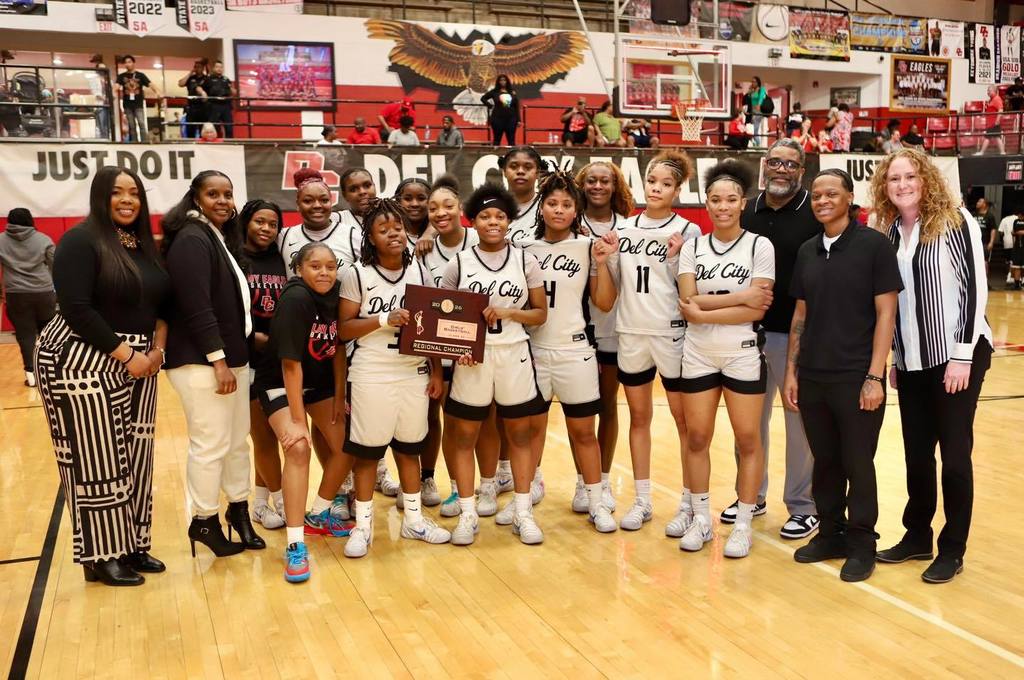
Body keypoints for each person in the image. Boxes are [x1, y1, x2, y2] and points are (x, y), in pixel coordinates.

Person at [35, 168, 170, 587]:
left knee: (136, 455)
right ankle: (101, 555)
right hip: (80, 357)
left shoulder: (143, 244)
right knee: (96, 458)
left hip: (141, 360)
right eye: (116, 193)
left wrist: (157, 350)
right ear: (100, 197)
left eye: (134, 193)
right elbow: (76, 308)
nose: (127, 200)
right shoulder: (80, 240)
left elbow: (163, 304)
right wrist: (127, 355)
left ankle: (131, 544)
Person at [871, 149, 994, 584]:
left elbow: (974, 290)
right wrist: (896, 357)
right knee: (917, 454)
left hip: (957, 355)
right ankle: (917, 535)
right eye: (894, 179)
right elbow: (892, 302)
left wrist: (962, 354)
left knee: (955, 456)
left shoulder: (955, 221)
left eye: (910, 176)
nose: (902, 185)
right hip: (912, 360)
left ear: (925, 179)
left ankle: (953, 548)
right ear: (884, 187)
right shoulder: (887, 231)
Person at [784, 168, 902, 583]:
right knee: (826, 462)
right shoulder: (808, 250)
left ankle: (862, 543)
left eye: (831, 193)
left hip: (856, 376)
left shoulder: (874, 246)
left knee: (858, 463)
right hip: (813, 375)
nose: (822, 201)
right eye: (816, 195)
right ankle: (830, 534)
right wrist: (792, 372)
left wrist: (875, 376)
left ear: (850, 198)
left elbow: (887, 314)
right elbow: (800, 315)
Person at [596, 150, 702, 533]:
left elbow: (691, 291)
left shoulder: (688, 231)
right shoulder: (622, 230)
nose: (656, 188)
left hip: (671, 333)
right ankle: (642, 501)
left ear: (678, 190)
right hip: (631, 332)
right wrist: (604, 260)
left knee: (683, 420)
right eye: (652, 181)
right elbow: (609, 294)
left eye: (666, 184)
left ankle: (689, 503)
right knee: (639, 418)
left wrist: (675, 261)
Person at [339, 199, 450, 558]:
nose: (393, 234)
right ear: (370, 237)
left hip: (413, 372)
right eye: (383, 229)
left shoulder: (419, 270)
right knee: (367, 454)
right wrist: (384, 319)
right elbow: (343, 329)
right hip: (371, 372)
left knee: (409, 448)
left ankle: (414, 520)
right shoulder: (357, 274)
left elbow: (433, 325)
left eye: (398, 228)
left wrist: (437, 370)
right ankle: (363, 526)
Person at [676, 160, 775, 558]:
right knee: (697, 437)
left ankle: (744, 524)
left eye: (731, 199)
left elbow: (757, 308)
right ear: (707, 203)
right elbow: (687, 301)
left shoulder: (759, 246)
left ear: (743, 202)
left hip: (742, 353)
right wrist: (740, 296)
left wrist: (706, 310)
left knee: (748, 439)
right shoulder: (693, 246)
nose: (723, 206)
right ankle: (701, 519)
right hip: (698, 354)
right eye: (715, 200)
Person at [162, 170, 263, 558]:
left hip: (230, 360)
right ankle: (203, 520)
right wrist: (218, 360)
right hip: (203, 363)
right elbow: (197, 306)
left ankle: (238, 510)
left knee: (236, 443)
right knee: (210, 445)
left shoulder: (214, 236)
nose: (222, 201)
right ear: (196, 198)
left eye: (228, 194)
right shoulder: (191, 238)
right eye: (213, 194)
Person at [441, 183, 549, 545]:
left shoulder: (524, 260)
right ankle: (467, 514)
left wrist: (509, 312)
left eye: (500, 216)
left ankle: (523, 512)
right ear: (473, 221)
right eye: (485, 216)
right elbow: (444, 316)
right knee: (464, 435)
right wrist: (457, 346)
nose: (493, 222)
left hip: (514, 353)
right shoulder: (458, 263)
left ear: (509, 221)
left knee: (519, 434)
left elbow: (540, 314)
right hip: (472, 359)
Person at [519, 171, 618, 533]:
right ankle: (524, 503)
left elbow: (604, 302)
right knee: (530, 431)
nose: (559, 210)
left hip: (576, 351)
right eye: (552, 203)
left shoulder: (588, 247)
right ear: (541, 208)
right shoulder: (524, 249)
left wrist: (603, 263)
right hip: (533, 351)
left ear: (576, 210)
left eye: (566, 204)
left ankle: (595, 501)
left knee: (584, 432)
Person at [737, 139, 821, 540]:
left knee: (797, 424)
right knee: (749, 423)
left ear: (801, 172)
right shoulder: (746, 210)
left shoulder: (813, 213)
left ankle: (803, 506)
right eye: (775, 162)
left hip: (794, 336)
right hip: (744, 333)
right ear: (764, 165)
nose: (781, 169)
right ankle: (751, 495)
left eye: (790, 164)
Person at [259, 242, 355, 580]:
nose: (324, 272)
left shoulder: (337, 294)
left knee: (350, 444)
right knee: (298, 448)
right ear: (299, 269)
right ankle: (295, 544)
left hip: (319, 384)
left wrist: (340, 396)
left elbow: (338, 348)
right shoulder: (296, 298)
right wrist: (298, 421)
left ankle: (319, 513)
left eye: (330, 266)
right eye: (316, 266)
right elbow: (290, 365)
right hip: (280, 382)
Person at [575, 161, 635, 512]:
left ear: (616, 187)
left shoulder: (628, 228)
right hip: (576, 328)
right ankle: (583, 482)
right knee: (580, 411)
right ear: (581, 186)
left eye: (605, 181)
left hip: (613, 327)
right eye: (591, 181)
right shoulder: (569, 223)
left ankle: (604, 478)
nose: (598, 186)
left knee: (608, 404)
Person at [419, 176, 479, 517]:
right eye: (433, 209)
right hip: (437, 348)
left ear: (461, 208)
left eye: (448, 206)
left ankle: (465, 487)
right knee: (431, 418)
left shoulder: (478, 240)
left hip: (474, 348)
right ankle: (429, 479)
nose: (441, 213)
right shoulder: (424, 250)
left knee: (463, 423)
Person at [240, 200, 289, 530]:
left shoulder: (280, 256)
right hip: (249, 358)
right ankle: (283, 501)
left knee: (270, 436)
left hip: (278, 357)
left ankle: (259, 504)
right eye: (260, 221)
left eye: (273, 224)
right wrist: (254, 338)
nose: (266, 229)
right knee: (264, 437)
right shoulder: (235, 257)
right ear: (246, 222)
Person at [0, 207, 55, 386]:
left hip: (16, 295)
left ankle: (31, 376)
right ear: (30, 220)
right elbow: (55, 264)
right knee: (48, 334)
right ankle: (50, 373)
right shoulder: (43, 239)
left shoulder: (1, 240)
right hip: (44, 293)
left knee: (25, 335)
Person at [500, 146, 544, 246]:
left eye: (528, 167)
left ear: (538, 173)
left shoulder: (548, 206)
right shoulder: (491, 206)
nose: (520, 171)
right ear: (504, 172)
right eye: (513, 166)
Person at [114, 55, 161, 143]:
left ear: (133, 63)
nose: (127, 64)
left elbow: (150, 84)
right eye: (125, 63)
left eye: (129, 62)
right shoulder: (121, 76)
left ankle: (144, 142)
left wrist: (158, 92)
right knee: (131, 125)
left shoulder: (140, 75)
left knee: (141, 123)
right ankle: (134, 143)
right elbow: (116, 86)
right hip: (127, 105)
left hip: (138, 104)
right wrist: (113, 94)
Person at [481, 74, 520, 147]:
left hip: (511, 119)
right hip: (497, 119)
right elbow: (483, 98)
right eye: (501, 80)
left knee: (511, 141)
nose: (503, 82)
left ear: (507, 81)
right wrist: (490, 106)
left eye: (504, 80)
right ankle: (496, 153)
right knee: (497, 140)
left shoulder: (512, 92)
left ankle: (511, 153)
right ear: (498, 82)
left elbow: (516, 106)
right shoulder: (494, 91)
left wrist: (518, 120)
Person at [203, 60, 235, 138]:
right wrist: (203, 94)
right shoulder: (208, 79)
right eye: (217, 67)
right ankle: (215, 143)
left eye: (221, 67)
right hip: (214, 105)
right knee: (215, 128)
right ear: (213, 68)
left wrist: (231, 89)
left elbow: (233, 92)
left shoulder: (226, 79)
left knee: (229, 128)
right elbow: (202, 89)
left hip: (226, 105)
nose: (219, 69)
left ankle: (230, 143)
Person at [177, 58, 208, 139]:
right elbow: (180, 84)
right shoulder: (191, 78)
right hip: (191, 107)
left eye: (199, 67)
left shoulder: (206, 78)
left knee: (202, 130)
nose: (197, 68)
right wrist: (190, 73)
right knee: (190, 130)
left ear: (203, 68)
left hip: (202, 107)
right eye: (196, 67)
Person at [976, 85, 1006, 156]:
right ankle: (1002, 152)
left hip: (994, 123)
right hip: (991, 123)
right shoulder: (992, 99)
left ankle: (982, 152)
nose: (988, 92)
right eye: (987, 91)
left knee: (988, 137)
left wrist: (997, 121)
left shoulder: (997, 99)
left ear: (994, 91)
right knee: (997, 137)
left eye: (989, 91)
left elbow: (1001, 110)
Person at [747, 77, 768, 147]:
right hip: (752, 112)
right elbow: (748, 98)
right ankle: (755, 145)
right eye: (752, 82)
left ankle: (758, 146)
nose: (753, 83)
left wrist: (759, 105)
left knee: (754, 131)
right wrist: (750, 90)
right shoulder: (752, 90)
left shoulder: (761, 89)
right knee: (751, 130)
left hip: (758, 112)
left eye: (754, 82)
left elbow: (761, 98)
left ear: (758, 82)